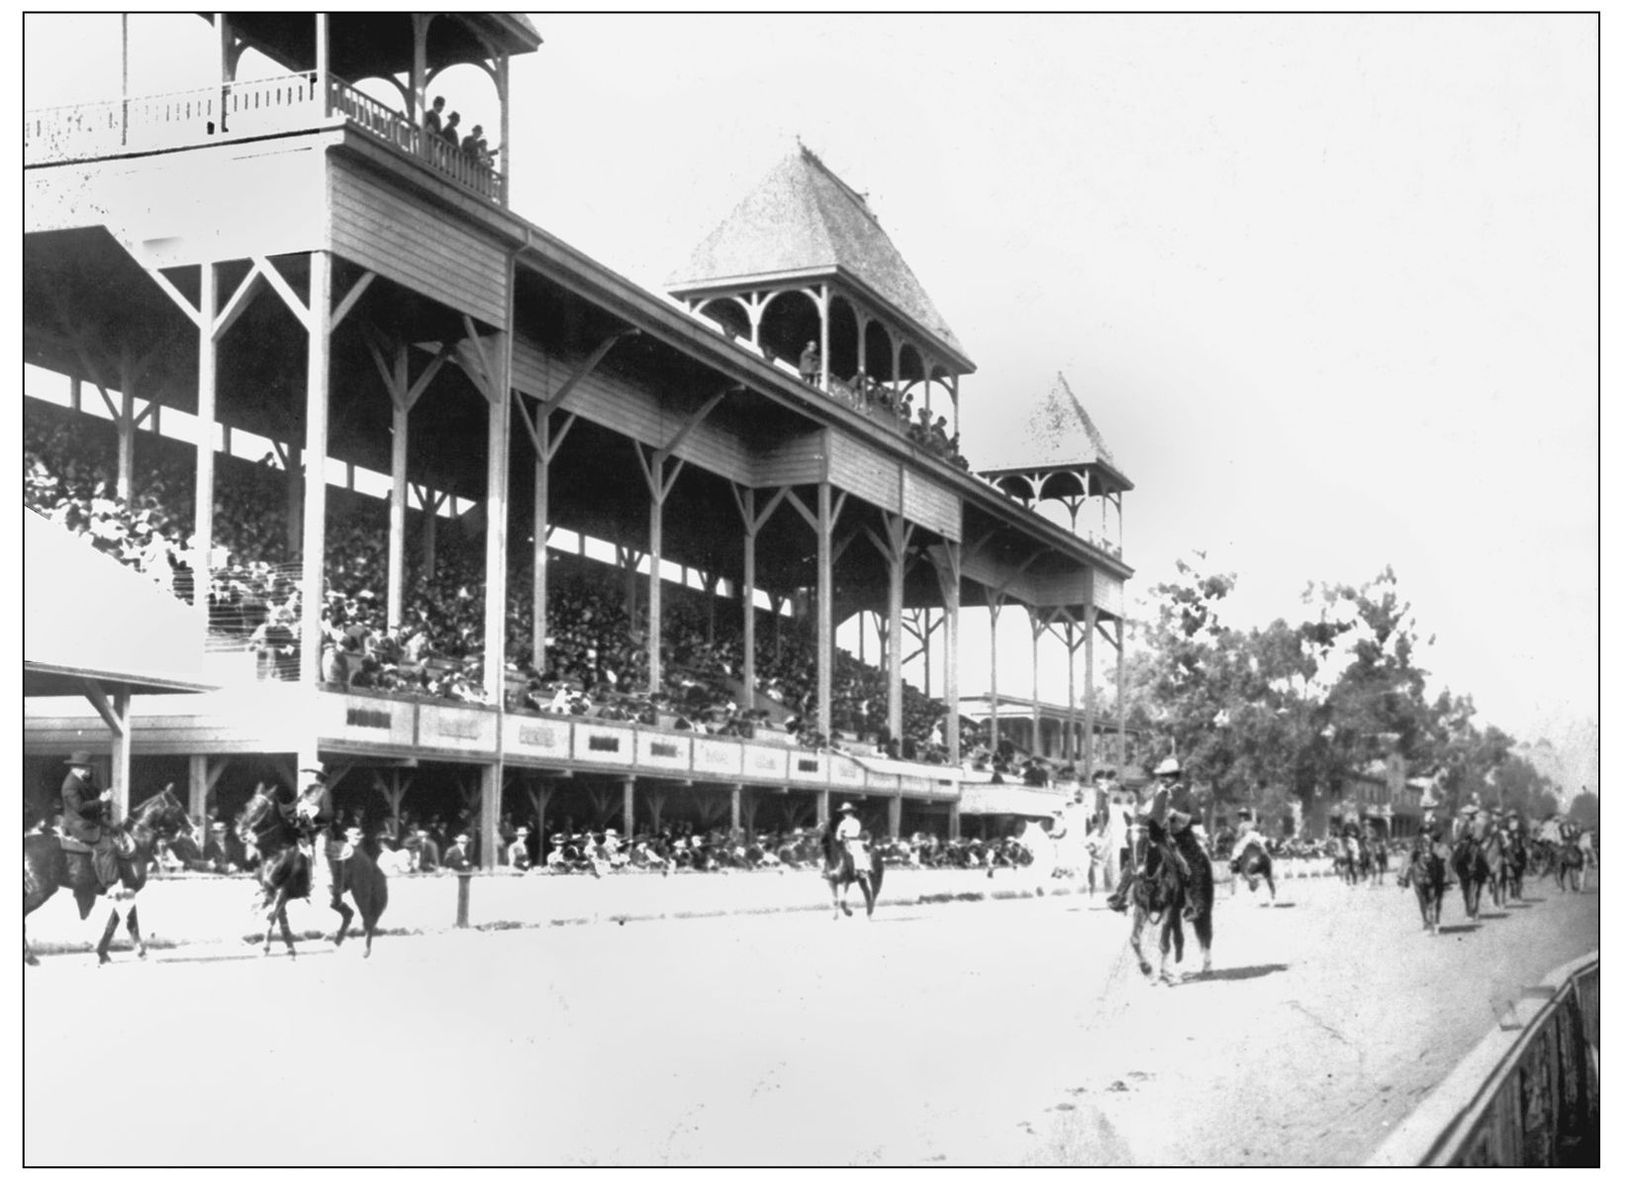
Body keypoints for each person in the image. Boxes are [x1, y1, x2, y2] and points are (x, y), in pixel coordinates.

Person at [1107, 757, 1193, 913]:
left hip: (1173, 834)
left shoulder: (1183, 794)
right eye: (1163, 775)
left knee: (1181, 861)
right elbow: (1146, 811)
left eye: (1169, 775)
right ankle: (1120, 895)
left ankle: (1189, 901)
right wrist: (1140, 818)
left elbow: (1188, 818)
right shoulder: (1157, 794)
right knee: (1134, 859)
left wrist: (1175, 818)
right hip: (1152, 834)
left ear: (1175, 776)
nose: (1165, 779)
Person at [60, 750, 132, 893]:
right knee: (107, 847)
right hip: (80, 825)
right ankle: (110, 884)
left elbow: (95, 793)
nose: (89, 770)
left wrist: (104, 795)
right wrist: (101, 800)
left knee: (117, 831)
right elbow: (80, 808)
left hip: (91, 820)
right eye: (87, 768)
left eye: (89, 768)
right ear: (77, 768)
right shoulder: (70, 785)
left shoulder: (82, 780)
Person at [835, 801, 871, 875]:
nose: (846, 814)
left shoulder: (854, 822)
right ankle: (836, 868)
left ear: (851, 813)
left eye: (848, 812)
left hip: (853, 841)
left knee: (857, 853)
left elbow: (855, 832)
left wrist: (843, 835)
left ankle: (861, 870)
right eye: (845, 812)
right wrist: (839, 837)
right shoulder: (844, 822)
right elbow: (838, 834)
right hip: (845, 841)